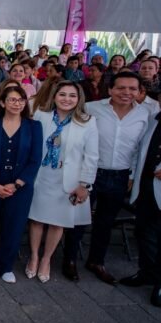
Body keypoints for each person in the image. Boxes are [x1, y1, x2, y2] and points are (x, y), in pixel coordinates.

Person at [64, 72, 149, 284]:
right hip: (90, 173)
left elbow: (141, 149)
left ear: (139, 92)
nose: (126, 93)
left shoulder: (144, 115)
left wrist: (131, 174)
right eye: (121, 88)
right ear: (110, 89)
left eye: (132, 89)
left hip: (120, 176)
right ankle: (69, 260)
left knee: (105, 222)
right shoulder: (92, 109)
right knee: (78, 221)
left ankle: (96, 261)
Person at [28, 81, 98, 283]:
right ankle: (33, 256)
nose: (67, 99)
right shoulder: (41, 115)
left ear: (79, 99)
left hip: (68, 179)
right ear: (55, 96)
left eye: (72, 95)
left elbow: (92, 156)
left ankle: (46, 260)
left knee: (58, 222)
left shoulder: (87, 121)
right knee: (37, 219)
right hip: (42, 175)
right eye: (63, 94)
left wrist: (85, 184)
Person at [0, 86, 43, 283]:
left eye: (20, 100)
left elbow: (35, 159)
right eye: (12, 100)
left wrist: (17, 184)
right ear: (2, 102)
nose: (17, 103)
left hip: (20, 186)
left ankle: (6, 265)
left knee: (14, 225)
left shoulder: (34, 127)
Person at [126, 106, 161, 306]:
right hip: (146, 185)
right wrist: (132, 175)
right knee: (143, 231)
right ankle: (146, 272)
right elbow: (139, 148)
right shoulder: (152, 118)